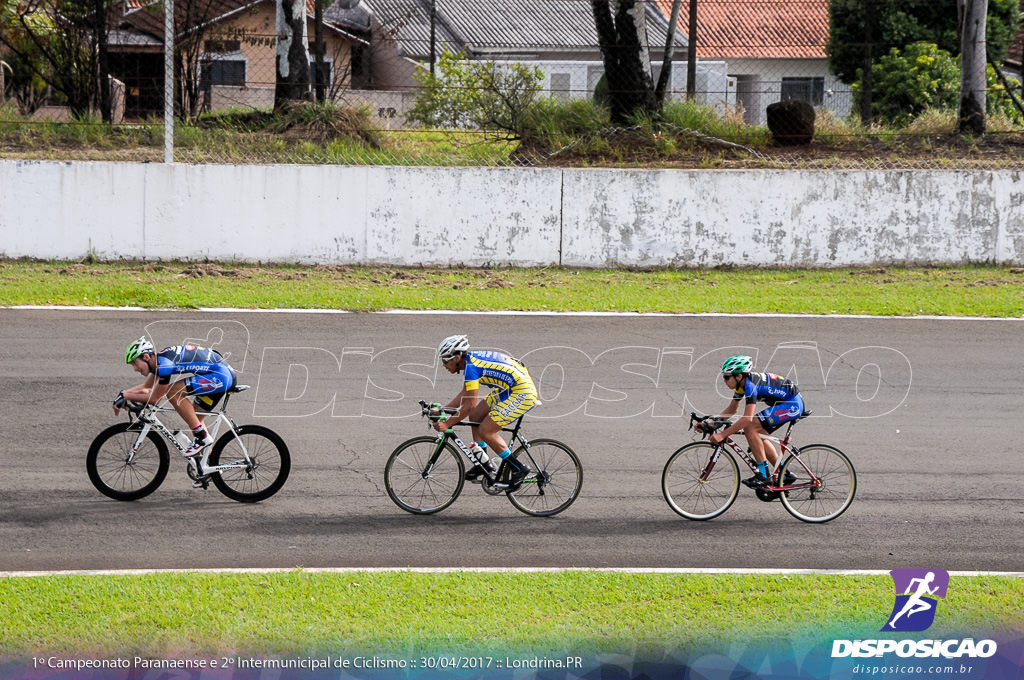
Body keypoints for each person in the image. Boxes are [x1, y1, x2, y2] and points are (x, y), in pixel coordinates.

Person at [434, 334, 538, 489]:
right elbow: (466, 395)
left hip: (522, 392)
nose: (443, 364)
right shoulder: (470, 363)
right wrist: (442, 409)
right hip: (510, 387)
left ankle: (519, 469)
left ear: (456, 357)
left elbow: (468, 405)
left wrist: (447, 424)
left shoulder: (471, 368)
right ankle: (483, 463)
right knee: (475, 415)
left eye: (445, 360)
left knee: (486, 430)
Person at [115, 336, 237, 462]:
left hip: (221, 376)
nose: (135, 369)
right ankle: (208, 467)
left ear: (146, 357)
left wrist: (125, 396)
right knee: (194, 418)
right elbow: (147, 388)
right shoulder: (160, 361)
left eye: (135, 363)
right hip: (219, 374)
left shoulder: (164, 365)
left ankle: (202, 437)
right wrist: (123, 394)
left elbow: (155, 399)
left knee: (174, 391)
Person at [703, 355, 805, 488]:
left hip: (792, 404)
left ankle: (762, 475)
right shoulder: (742, 384)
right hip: (787, 401)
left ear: (739, 376)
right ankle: (784, 474)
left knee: (750, 427)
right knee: (758, 436)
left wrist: (722, 435)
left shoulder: (750, 386)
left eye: (727, 377)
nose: (724, 380)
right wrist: (710, 423)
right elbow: (732, 410)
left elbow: (747, 419)